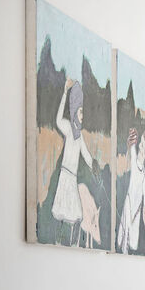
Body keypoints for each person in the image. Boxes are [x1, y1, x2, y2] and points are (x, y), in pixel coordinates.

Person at [53, 78, 96, 244]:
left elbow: (86, 155)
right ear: (74, 111)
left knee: (76, 215)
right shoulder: (68, 128)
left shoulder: (79, 135)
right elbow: (57, 120)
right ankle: (58, 242)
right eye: (80, 111)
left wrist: (95, 167)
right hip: (65, 177)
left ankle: (72, 245)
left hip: (72, 179)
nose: (83, 115)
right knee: (63, 213)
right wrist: (64, 93)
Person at [117, 128, 145, 253]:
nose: (139, 146)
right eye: (140, 143)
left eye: (142, 144)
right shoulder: (134, 161)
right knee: (121, 245)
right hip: (126, 210)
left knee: (129, 247)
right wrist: (130, 139)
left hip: (134, 218)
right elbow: (130, 149)